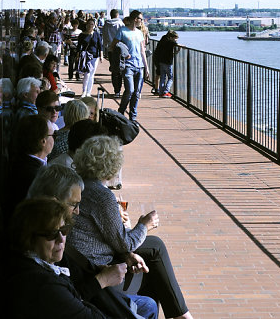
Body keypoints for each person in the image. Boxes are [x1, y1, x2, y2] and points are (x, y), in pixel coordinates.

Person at [70, 136, 194, 319]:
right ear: (111, 165)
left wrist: (127, 251)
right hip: (98, 273)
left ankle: (175, 315)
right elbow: (124, 243)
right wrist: (145, 224)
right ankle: (181, 316)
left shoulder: (81, 185)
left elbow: (110, 237)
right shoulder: (102, 196)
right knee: (155, 256)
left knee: (153, 256)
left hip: (84, 265)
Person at [28, 166, 158, 319]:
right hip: (94, 301)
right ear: (55, 201)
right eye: (74, 204)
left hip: (97, 294)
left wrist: (120, 259)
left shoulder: (53, 242)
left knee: (149, 304)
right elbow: (75, 303)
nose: (77, 211)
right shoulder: (43, 274)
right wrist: (102, 279)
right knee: (156, 249)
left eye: (64, 231)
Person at [7, 198, 107, 318]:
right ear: (29, 238)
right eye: (51, 234)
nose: (61, 239)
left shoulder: (39, 265)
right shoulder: (45, 285)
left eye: (64, 230)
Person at [115, 13, 147, 122]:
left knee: (137, 93)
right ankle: (121, 111)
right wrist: (124, 53)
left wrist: (146, 67)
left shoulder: (139, 33)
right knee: (130, 90)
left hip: (139, 65)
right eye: (140, 19)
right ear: (135, 19)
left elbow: (143, 51)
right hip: (128, 65)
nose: (141, 21)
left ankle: (133, 117)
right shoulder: (122, 31)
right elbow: (114, 46)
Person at [77, 18, 102, 97]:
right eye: (89, 24)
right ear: (86, 25)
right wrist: (77, 55)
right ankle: (84, 91)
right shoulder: (82, 35)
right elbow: (79, 46)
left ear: (94, 25)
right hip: (86, 56)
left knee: (92, 74)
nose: (90, 26)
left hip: (95, 56)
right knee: (87, 74)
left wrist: (101, 55)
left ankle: (89, 92)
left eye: (92, 24)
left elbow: (100, 45)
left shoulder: (96, 34)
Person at [102, 10, 125, 97]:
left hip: (110, 49)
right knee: (121, 68)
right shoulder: (120, 24)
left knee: (114, 69)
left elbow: (104, 37)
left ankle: (116, 90)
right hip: (120, 49)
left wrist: (106, 47)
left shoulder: (106, 24)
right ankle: (121, 88)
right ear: (117, 15)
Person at [152, 30, 178, 97]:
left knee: (162, 77)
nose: (176, 40)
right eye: (175, 38)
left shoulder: (163, 40)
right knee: (170, 78)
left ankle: (160, 92)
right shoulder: (171, 42)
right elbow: (176, 45)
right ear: (171, 37)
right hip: (168, 62)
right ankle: (166, 91)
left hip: (160, 61)